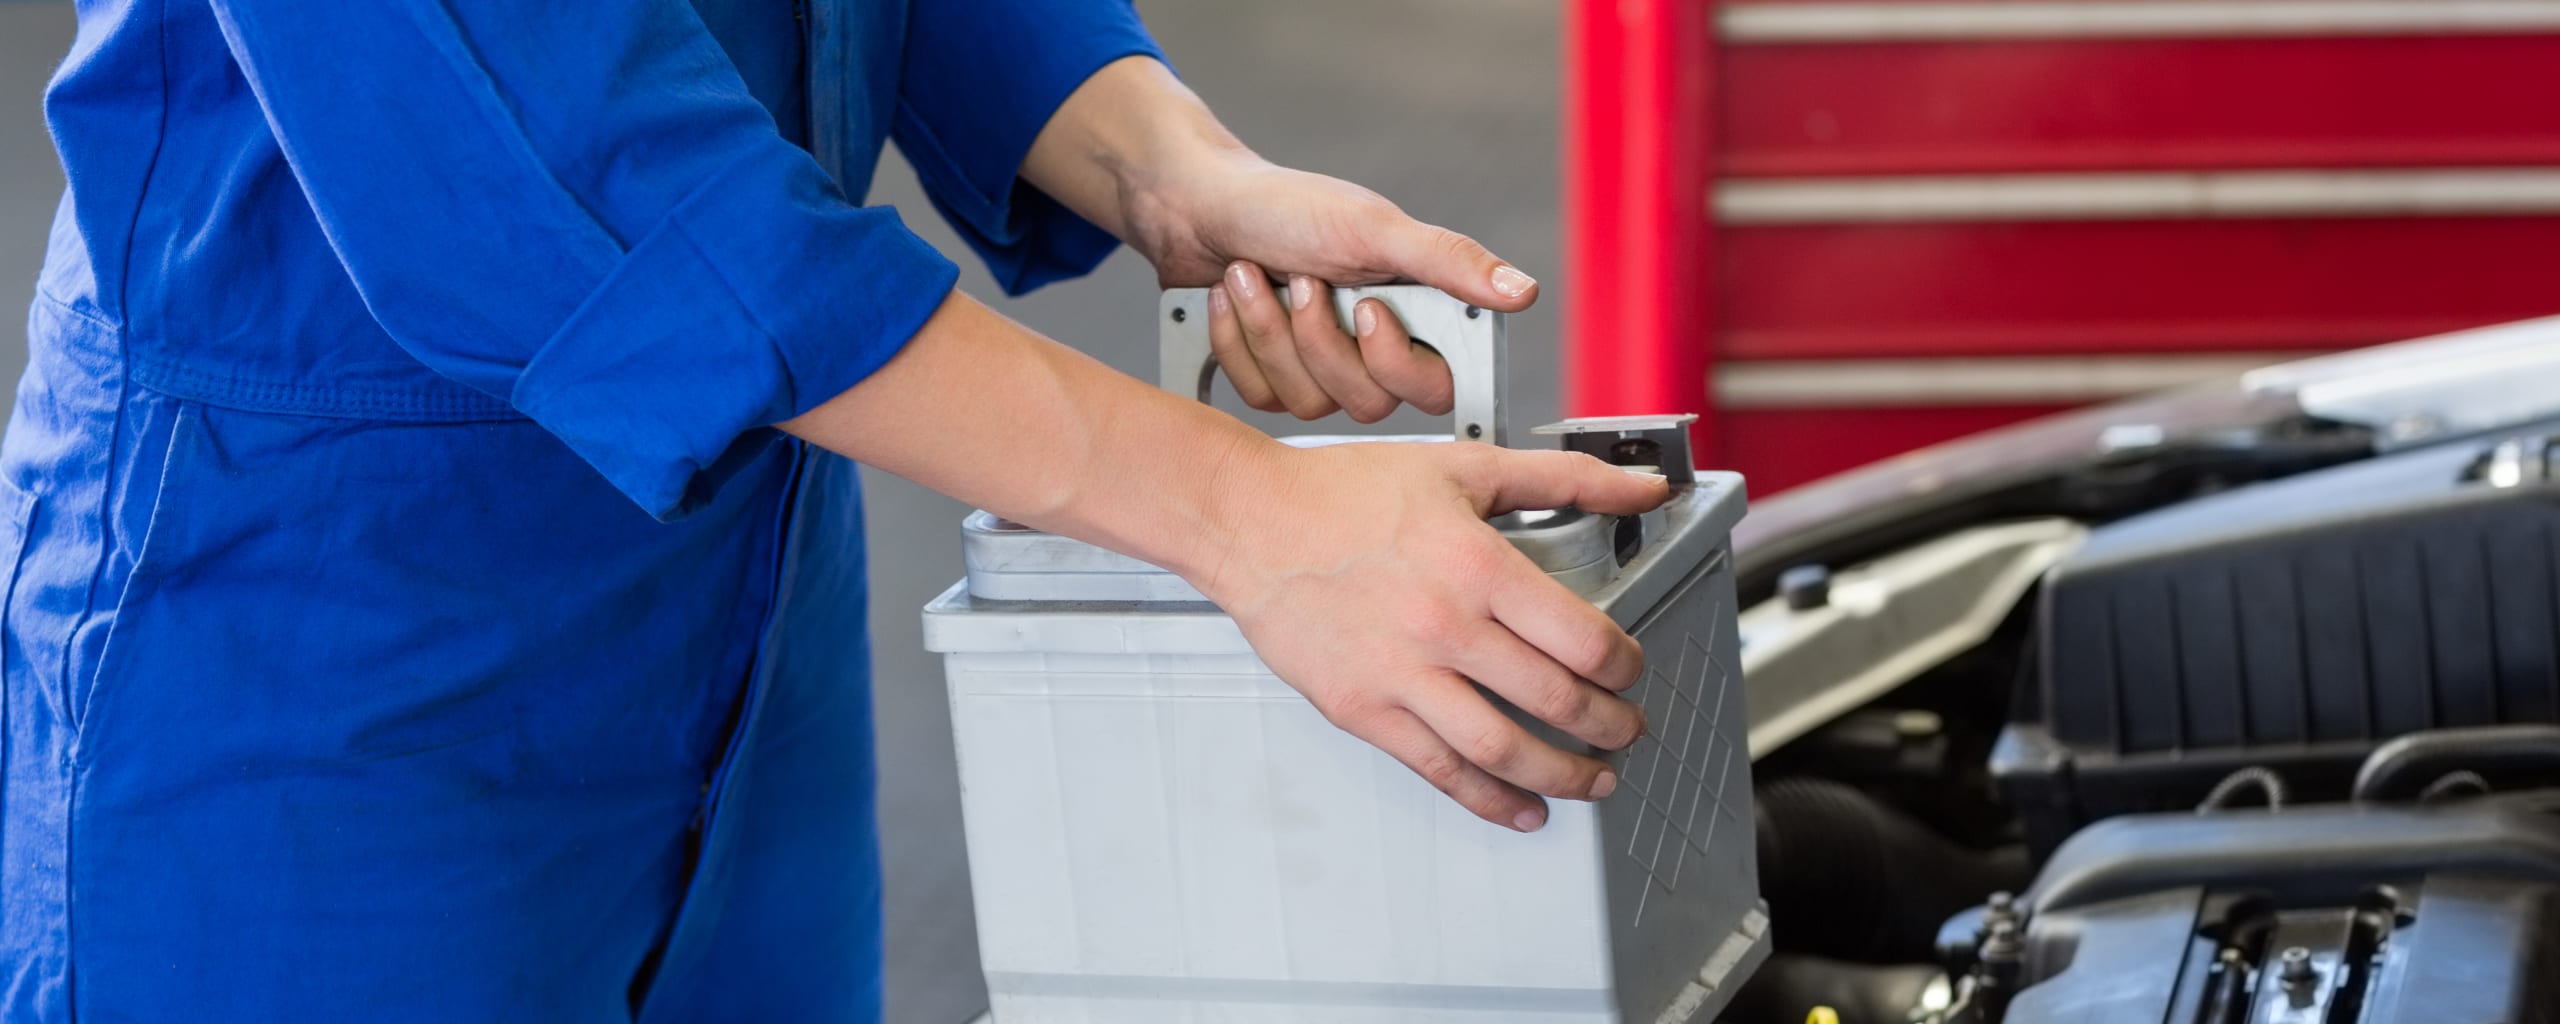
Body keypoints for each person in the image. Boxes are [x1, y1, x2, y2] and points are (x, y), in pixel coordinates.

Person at [7, 2, 1668, 1020]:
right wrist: (1241, 513)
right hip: (324, 626)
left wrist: (1171, 168)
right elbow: (570, 137)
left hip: (741, 555)